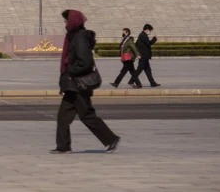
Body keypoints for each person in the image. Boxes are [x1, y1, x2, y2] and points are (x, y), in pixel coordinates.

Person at [51, 9, 120, 154]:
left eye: (65, 21)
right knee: (63, 116)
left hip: (78, 84)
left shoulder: (79, 37)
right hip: (72, 85)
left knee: (87, 115)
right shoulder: (73, 36)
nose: (64, 24)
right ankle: (63, 146)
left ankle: (111, 139)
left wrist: (70, 74)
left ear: (73, 22)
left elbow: (85, 63)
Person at [132, 23, 160, 88]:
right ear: (147, 29)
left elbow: (137, 44)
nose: (150, 32)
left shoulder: (142, 35)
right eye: (150, 30)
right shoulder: (143, 35)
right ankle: (132, 80)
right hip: (143, 56)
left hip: (144, 56)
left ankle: (153, 83)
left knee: (148, 71)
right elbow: (148, 43)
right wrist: (154, 39)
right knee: (139, 70)